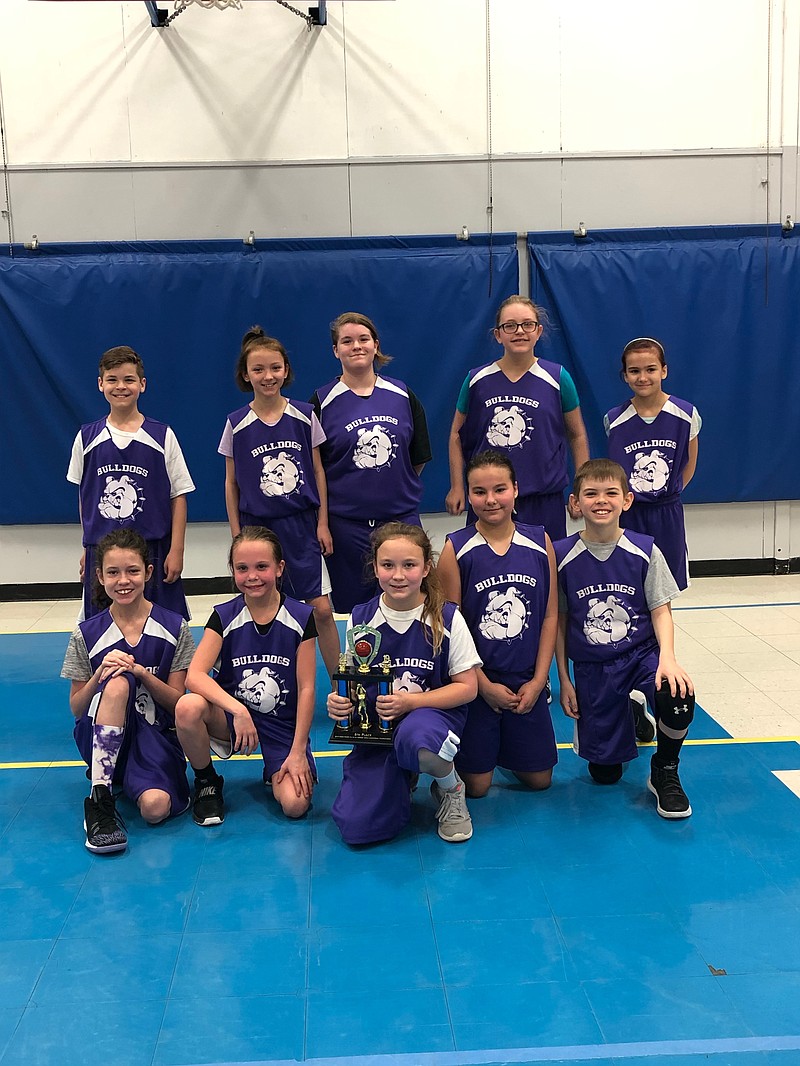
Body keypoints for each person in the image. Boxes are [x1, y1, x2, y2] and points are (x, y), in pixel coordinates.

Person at [554, 459, 695, 819]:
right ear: (575, 503)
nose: (601, 500)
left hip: (641, 654)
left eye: (611, 493)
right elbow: (559, 621)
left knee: (676, 695)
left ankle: (664, 769)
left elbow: (661, 610)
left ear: (627, 500)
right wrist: (565, 679)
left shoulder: (645, 550)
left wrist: (668, 659)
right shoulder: (560, 555)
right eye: (591, 493)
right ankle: (631, 711)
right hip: (593, 666)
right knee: (605, 775)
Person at [328, 522, 481, 844]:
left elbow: (468, 688)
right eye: (388, 565)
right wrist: (340, 702)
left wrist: (411, 703)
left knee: (419, 740)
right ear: (375, 568)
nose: (398, 575)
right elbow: (354, 679)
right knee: (358, 828)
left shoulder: (447, 617)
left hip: (431, 717)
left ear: (426, 568)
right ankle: (403, 775)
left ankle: (451, 788)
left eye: (409, 565)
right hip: (378, 726)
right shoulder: (360, 618)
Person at [61, 529, 195, 854]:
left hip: (155, 738)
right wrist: (99, 678)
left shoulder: (175, 628)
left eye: (132, 570)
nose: (123, 580)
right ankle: (100, 798)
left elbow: (179, 702)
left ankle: (134, 780)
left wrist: (142, 675)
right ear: (99, 576)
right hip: (100, 736)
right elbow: (78, 708)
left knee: (155, 809)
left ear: (148, 573)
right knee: (118, 682)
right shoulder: (86, 634)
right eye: (113, 572)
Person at [175, 526, 317, 826]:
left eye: (261, 567)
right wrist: (238, 709)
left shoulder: (301, 618)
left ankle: (278, 767)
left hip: (282, 726)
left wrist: (298, 752)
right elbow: (195, 676)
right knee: (188, 707)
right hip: (233, 721)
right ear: (233, 571)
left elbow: (306, 689)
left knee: (295, 805)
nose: (252, 576)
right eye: (242, 568)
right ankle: (206, 781)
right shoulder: (224, 616)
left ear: (280, 568)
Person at [219, 326, 339, 677]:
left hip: (301, 526)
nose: (267, 376)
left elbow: (318, 473)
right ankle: (254, 681)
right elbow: (231, 483)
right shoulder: (235, 424)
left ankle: (343, 689)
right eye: (258, 369)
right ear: (246, 374)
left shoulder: (304, 415)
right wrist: (238, 535)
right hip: (258, 530)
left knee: (321, 610)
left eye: (275, 368)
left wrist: (322, 523)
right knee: (262, 610)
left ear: (286, 370)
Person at [438, 450, 558, 797]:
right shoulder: (456, 549)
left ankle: (507, 747)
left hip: (525, 680)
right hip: (478, 680)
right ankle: (484, 752)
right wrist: (483, 686)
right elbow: (452, 631)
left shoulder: (539, 541)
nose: (490, 500)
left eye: (500, 489)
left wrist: (538, 681)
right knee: (476, 788)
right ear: (469, 494)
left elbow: (550, 615)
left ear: (516, 490)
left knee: (540, 781)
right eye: (479, 492)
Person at [310, 312, 432, 614]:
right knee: (356, 610)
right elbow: (316, 470)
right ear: (335, 350)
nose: (356, 346)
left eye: (363, 339)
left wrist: (390, 488)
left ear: (375, 345)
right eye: (346, 341)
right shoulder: (321, 402)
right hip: (347, 527)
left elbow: (417, 458)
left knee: (409, 604)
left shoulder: (402, 394)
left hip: (400, 520)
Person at [445, 295, 589, 542]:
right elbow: (456, 434)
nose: (519, 331)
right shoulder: (477, 379)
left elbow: (577, 434)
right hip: (492, 500)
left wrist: (581, 487)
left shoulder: (558, 377)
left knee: (545, 574)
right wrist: (457, 485)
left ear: (538, 331)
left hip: (543, 500)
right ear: (498, 334)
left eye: (527, 324)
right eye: (510, 325)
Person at [67, 345, 194, 620]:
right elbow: (84, 497)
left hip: (154, 550)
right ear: (100, 384)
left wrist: (177, 550)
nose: (120, 386)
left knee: (164, 625)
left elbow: (179, 495)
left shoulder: (163, 436)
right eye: (112, 379)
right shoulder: (86, 438)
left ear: (142, 384)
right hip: (103, 552)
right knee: (100, 627)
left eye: (129, 379)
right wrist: (86, 547)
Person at [604, 336, 701, 591]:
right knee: (629, 582)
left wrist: (672, 491)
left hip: (666, 512)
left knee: (665, 585)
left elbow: (688, 463)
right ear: (625, 375)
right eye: (634, 371)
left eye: (650, 369)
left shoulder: (686, 413)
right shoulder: (614, 419)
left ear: (664, 370)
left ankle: (663, 631)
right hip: (629, 514)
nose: (642, 377)